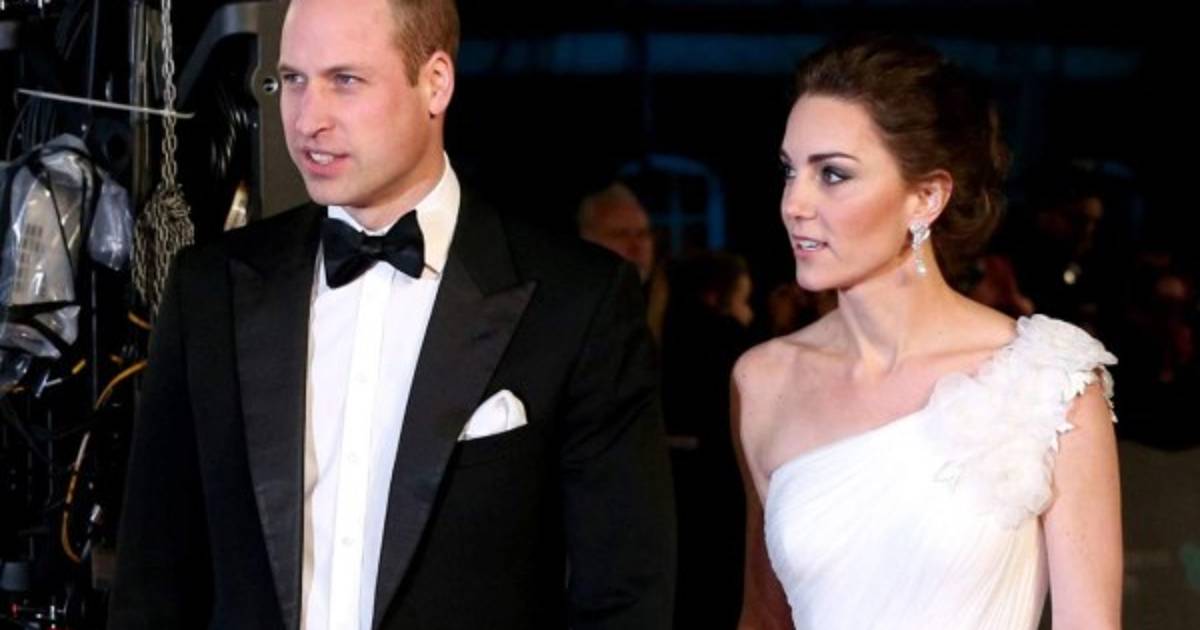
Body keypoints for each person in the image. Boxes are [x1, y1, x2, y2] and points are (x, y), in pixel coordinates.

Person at [107, 1, 675, 628]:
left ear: (435, 83)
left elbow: (625, 596)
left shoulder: (576, 302)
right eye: (293, 79)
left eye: (345, 80)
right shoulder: (211, 290)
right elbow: (154, 582)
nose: (308, 118)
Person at [733, 35, 1121, 629]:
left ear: (926, 197)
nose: (794, 203)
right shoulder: (763, 380)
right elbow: (763, 617)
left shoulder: (1048, 379)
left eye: (832, 174)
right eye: (790, 171)